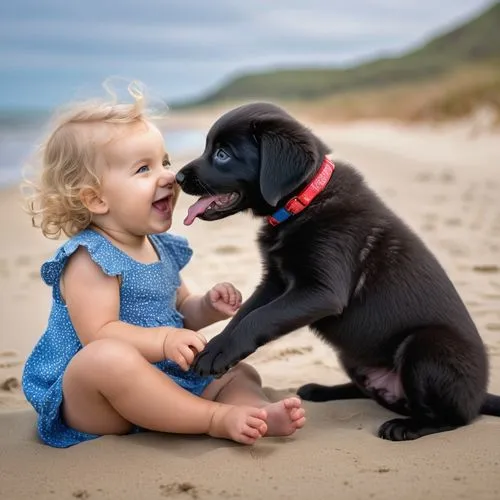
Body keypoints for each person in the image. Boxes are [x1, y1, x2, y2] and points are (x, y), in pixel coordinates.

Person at [21, 83, 306, 448]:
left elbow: (180, 311)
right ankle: (214, 418)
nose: (169, 176)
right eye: (143, 169)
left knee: (237, 372)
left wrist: (206, 307)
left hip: (162, 380)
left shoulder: (160, 247)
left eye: (165, 162)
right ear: (95, 198)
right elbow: (100, 333)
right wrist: (165, 339)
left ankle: (257, 412)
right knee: (105, 358)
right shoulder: (89, 257)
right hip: (99, 400)